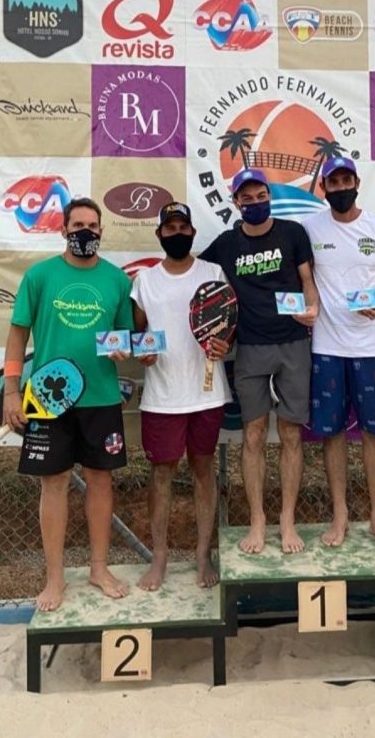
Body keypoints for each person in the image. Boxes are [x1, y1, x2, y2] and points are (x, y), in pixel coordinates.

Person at [2, 197, 132, 612]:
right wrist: (11, 390)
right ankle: (54, 577)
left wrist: (124, 349)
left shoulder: (117, 280)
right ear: (63, 230)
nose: (85, 232)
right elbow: (17, 334)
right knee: (53, 483)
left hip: (102, 397)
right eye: (78, 226)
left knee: (100, 480)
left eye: (92, 226)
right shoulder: (39, 276)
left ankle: (99, 569)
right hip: (47, 398)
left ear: (101, 231)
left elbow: (125, 337)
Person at [201, 169, 319, 554]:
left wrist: (313, 307)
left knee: (290, 434)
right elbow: (197, 279)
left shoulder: (293, 233)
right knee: (252, 435)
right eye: (247, 198)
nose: (255, 203)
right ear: (236, 202)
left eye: (260, 196)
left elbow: (307, 280)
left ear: (270, 196)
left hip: (294, 343)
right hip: (249, 348)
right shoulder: (226, 243)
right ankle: (257, 520)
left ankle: (287, 519)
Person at [302, 157, 375, 551]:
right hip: (326, 347)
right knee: (331, 435)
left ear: (357, 182)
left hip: (370, 348)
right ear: (324, 188)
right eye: (334, 182)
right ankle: (340, 514)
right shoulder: (310, 228)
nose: (341, 187)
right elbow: (303, 279)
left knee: (373, 434)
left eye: (347, 180)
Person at [131, 202, 232, 591]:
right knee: (162, 475)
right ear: (159, 234)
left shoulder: (213, 273)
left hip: (207, 394)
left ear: (192, 232)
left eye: (182, 227)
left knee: (204, 470)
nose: (177, 233)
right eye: (169, 228)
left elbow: (229, 324)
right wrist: (142, 351)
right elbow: (136, 333)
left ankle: (203, 556)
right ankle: (159, 558)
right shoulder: (144, 281)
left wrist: (225, 342)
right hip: (162, 396)